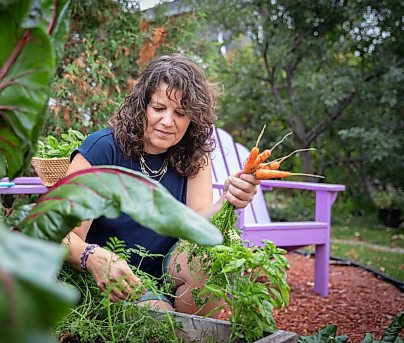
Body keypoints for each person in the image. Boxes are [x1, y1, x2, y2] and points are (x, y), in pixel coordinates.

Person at [64, 53, 260, 316]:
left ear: (193, 119)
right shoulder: (103, 150)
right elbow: (62, 235)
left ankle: (197, 334)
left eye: (180, 113)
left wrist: (228, 200)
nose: (168, 122)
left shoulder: (193, 154)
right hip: (116, 278)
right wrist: (91, 256)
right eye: (158, 108)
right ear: (142, 106)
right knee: (158, 317)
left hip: (168, 269)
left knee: (210, 261)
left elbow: (196, 223)